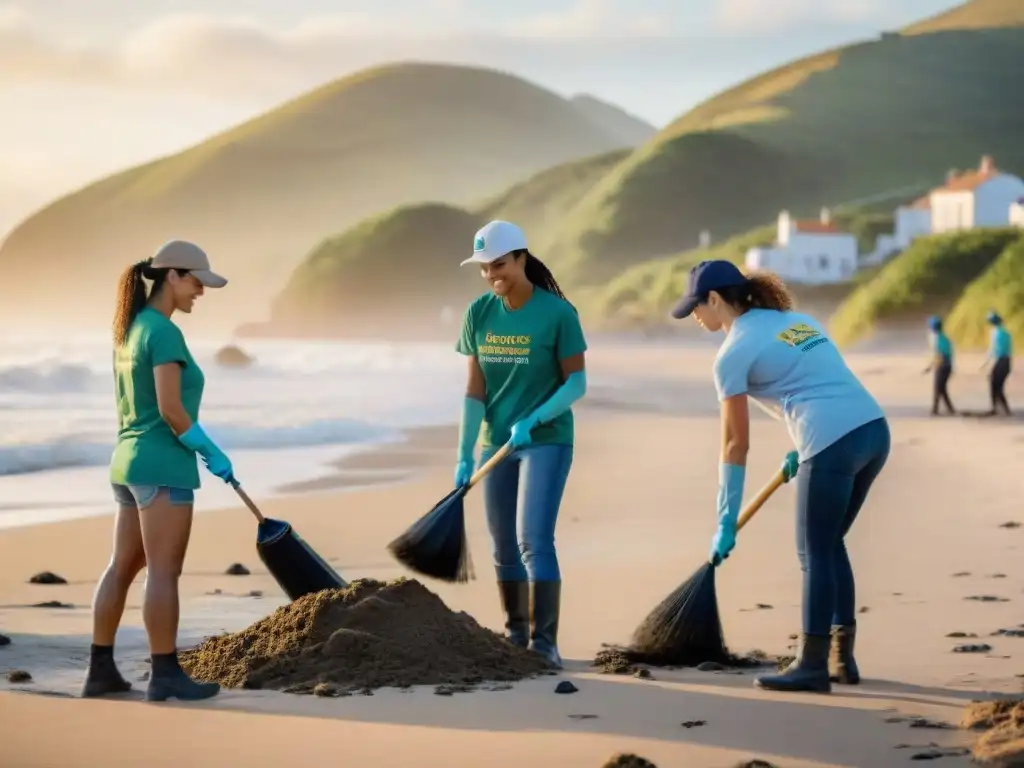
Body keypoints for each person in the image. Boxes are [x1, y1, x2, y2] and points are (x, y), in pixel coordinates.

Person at [671, 260, 890, 694]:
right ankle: (840, 659)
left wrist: (725, 521)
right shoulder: (797, 321)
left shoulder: (732, 353)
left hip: (830, 440)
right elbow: (815, 381)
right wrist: (800, 447)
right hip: (872, 431)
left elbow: (735, 444)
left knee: (814, 554)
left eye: (696, 306)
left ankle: (811, 666)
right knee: (830, 546)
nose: (694, 316)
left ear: (715, 299)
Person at [84, 240, 235, 702]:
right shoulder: (165, 333)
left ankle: (101, 670)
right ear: (172, 276)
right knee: (164, 571)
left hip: (127, 464)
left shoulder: (129, 329)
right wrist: (208, 448)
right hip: (163, 465)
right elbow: (171, 408)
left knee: (122, 567)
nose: (200, 293)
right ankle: (165, 675)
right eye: (195, 282)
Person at [454, 220, 588, 669]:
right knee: (503, 546)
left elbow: (577, 384)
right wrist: (464, 453)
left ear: (521, 259)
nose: (492, 274)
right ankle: (515, 636)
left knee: (533, 540)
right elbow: (474, 390)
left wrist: (534, 418)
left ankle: (544, 644)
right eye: (484, 267)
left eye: (500, 264)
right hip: (497, 443)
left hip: (546, 440)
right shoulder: (478, 313)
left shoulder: (558, 314)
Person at [980, 311, 1012, 416]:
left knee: (995, 385)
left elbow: (993, 350)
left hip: (1000, 361)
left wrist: (985, 363)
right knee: (998, 386)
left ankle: (998, 409)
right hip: (1007, 362)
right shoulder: (1006, 332)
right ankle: (1003, 409)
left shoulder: (995, 332)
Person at [923, 315, 956, 416]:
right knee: (942, 388)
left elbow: (938, 355)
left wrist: (931, 366)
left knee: (938, 388)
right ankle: (950, 409)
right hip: (948, 365)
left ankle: (935, 409)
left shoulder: (935, 338)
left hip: (942, 365)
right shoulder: (944, 337)